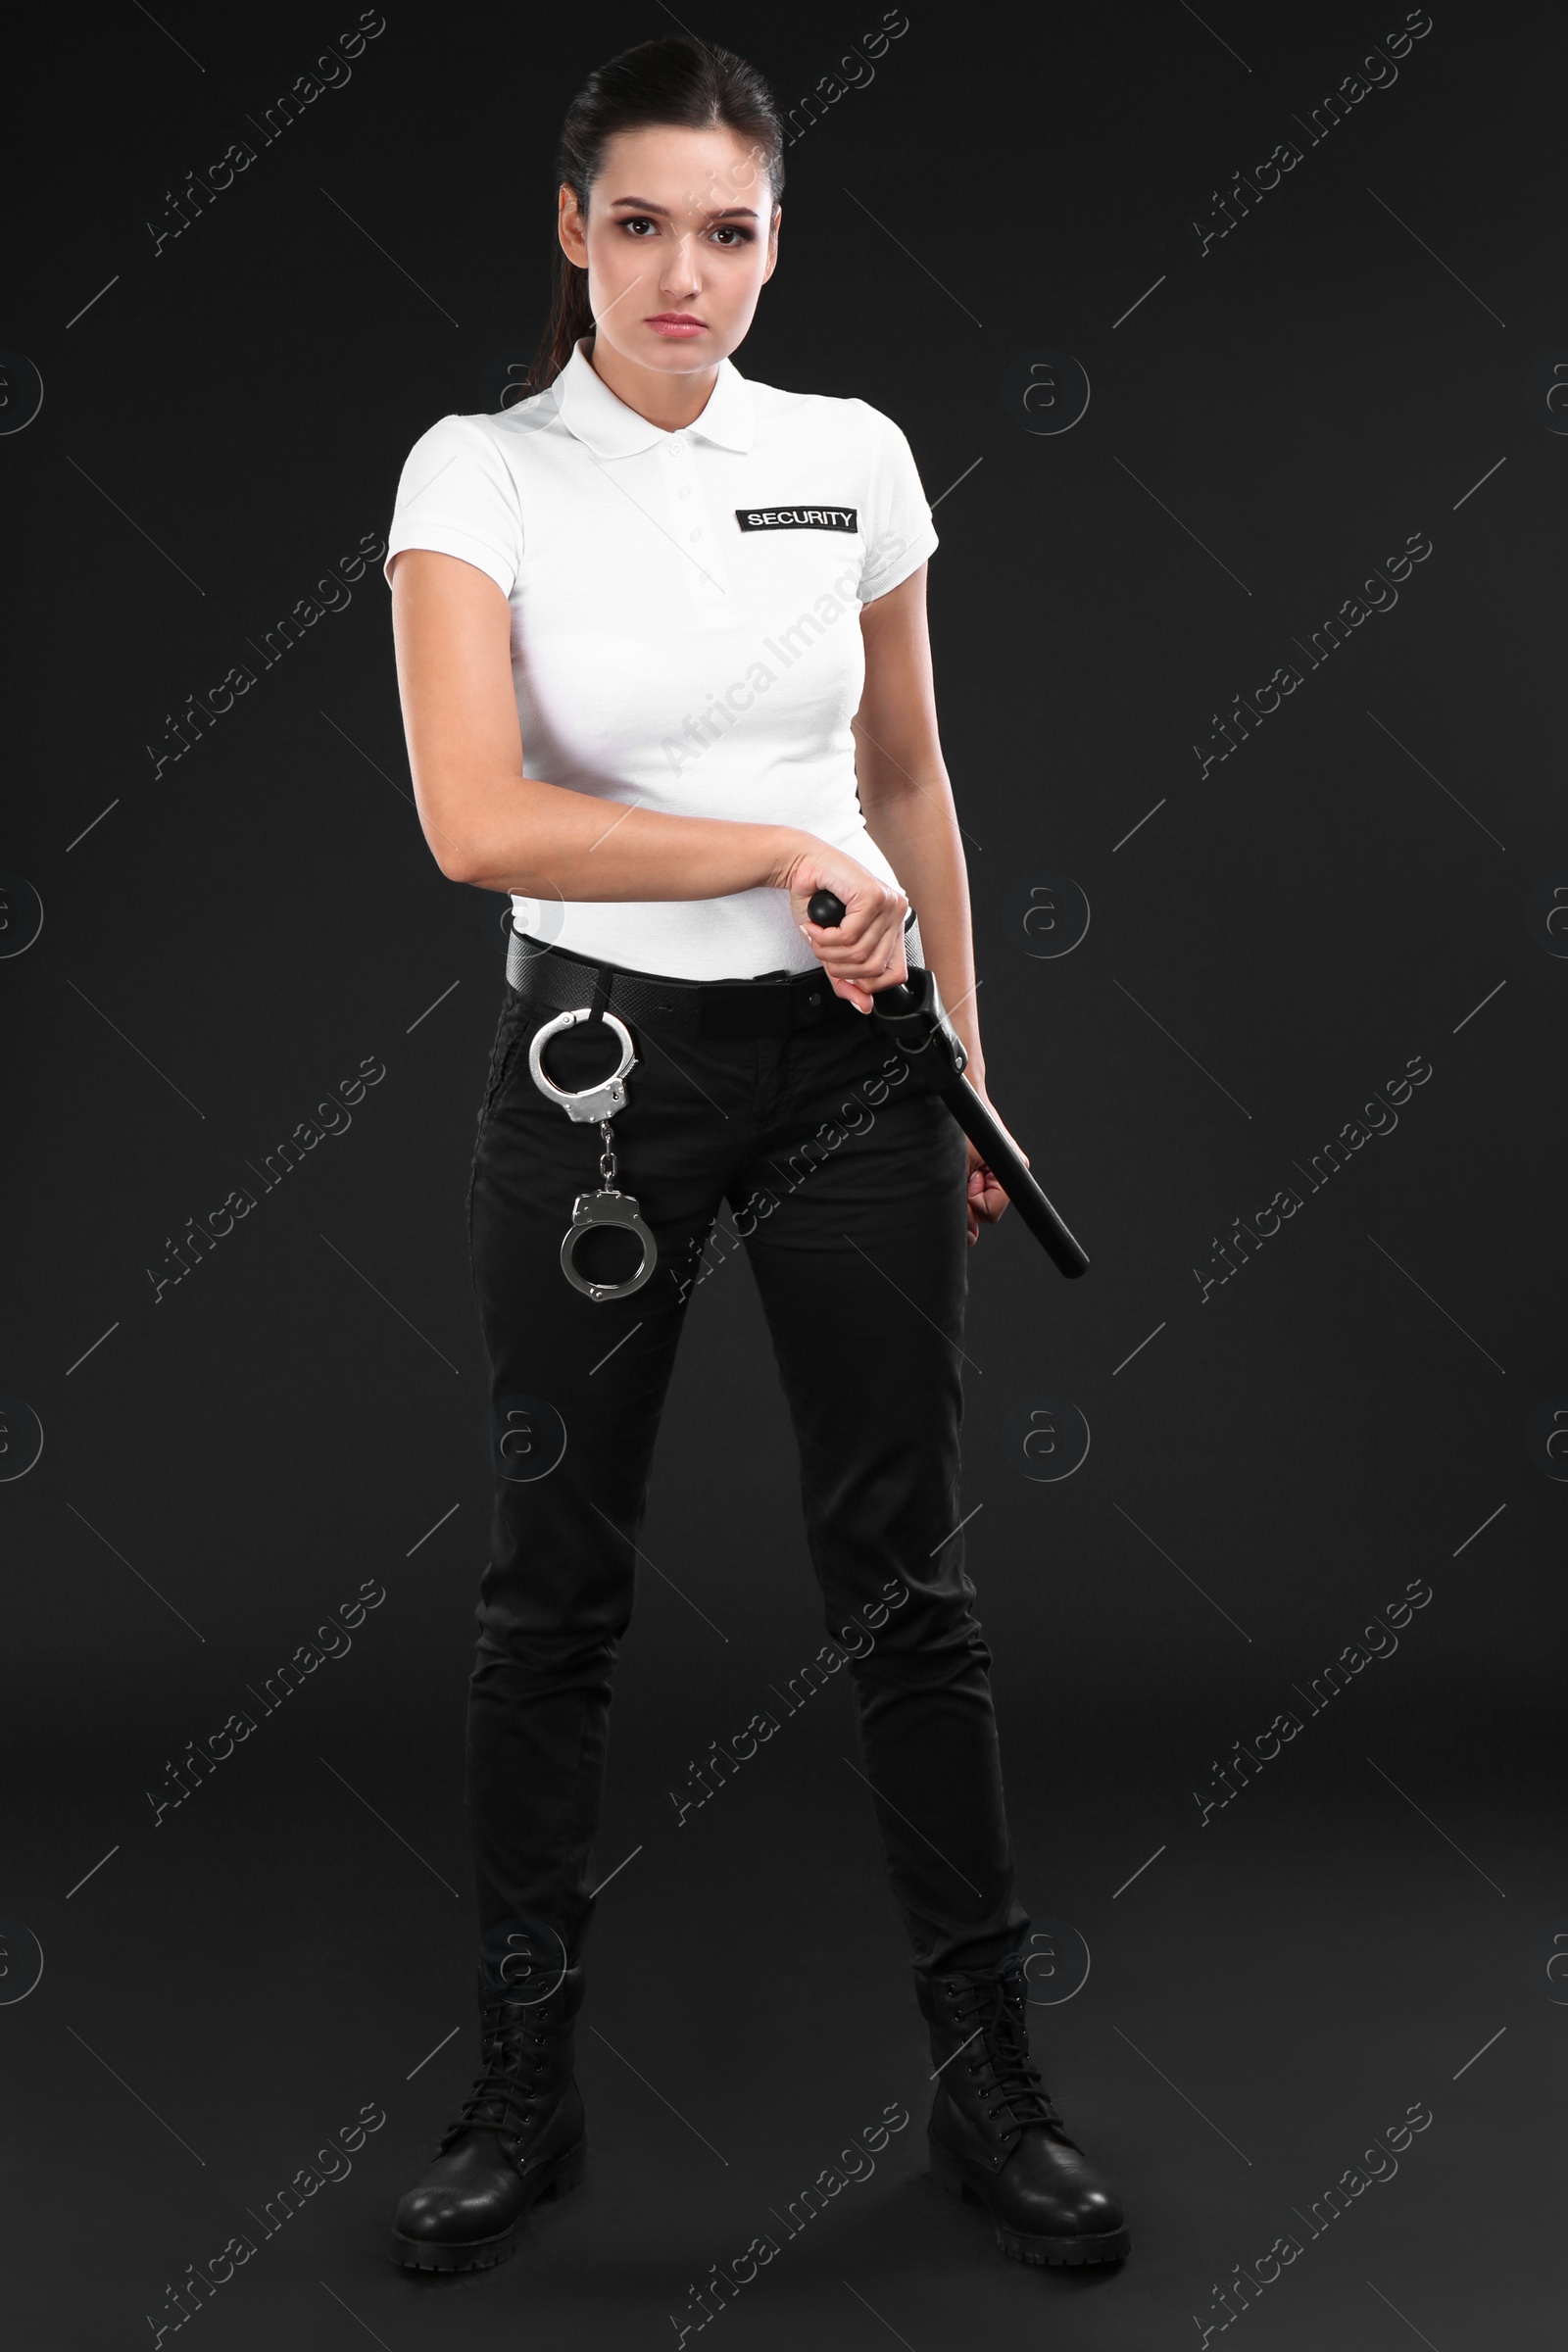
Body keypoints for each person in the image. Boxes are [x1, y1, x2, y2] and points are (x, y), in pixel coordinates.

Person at [381, 31, 1130, 2280]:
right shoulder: (477, 474)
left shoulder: (854, 457)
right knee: (551, 1601)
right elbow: (471, 817)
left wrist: (965, 1071)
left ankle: (992, 2089)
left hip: (851, 1074)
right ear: (571, 231)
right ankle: (519, 2090)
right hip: (600, 1073)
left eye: (726, 230)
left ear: (772, 237)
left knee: (908, 1584)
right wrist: (758, 851)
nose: (681, 274)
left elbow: (908, 786)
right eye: (638, 225)